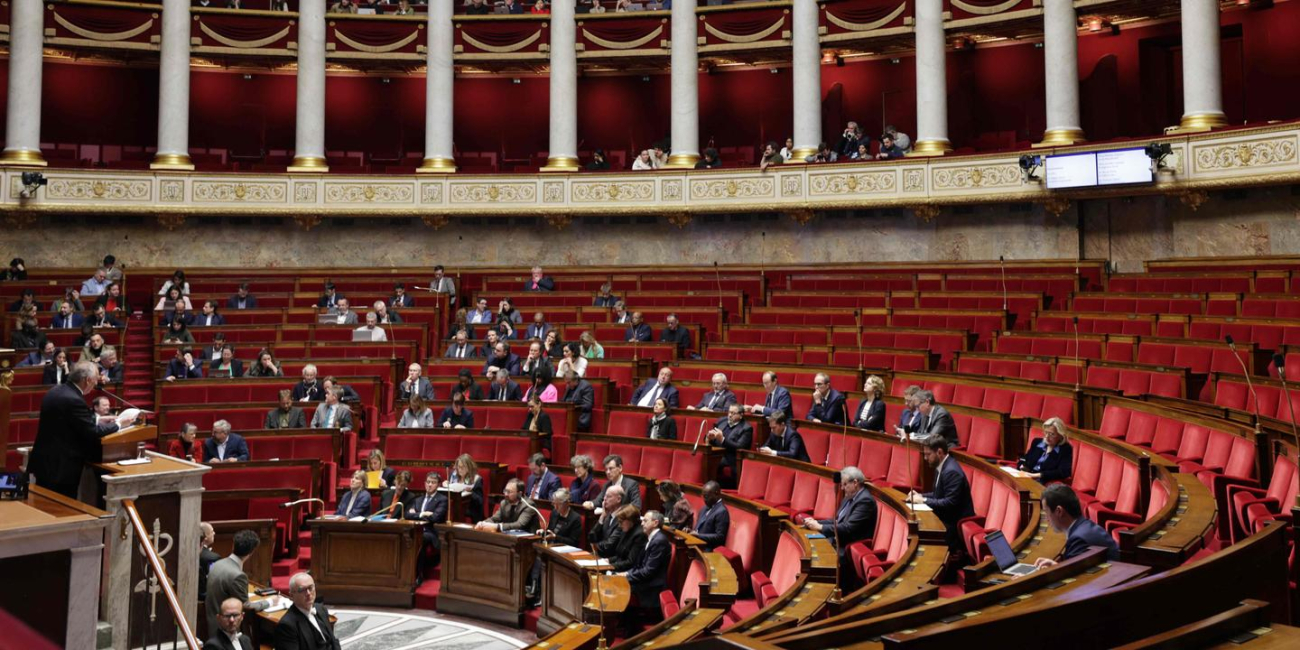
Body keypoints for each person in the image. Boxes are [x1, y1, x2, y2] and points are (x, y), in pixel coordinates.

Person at [28, 361, 117, 498]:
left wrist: (98, 419)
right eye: (94, 381)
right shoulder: (74, 399)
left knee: (44, 505)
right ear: (87, 380)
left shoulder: (56, 391)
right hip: (61, 467)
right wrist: (119, 424)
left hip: (45, 461)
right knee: (61, 509)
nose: (94, 385)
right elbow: (92, 432)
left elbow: (67, 420)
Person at [908, 435, 976, 571]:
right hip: (946, 517)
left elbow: (950, 503)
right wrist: (920, 496)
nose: (925, 458)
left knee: (920, 529)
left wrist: (924, 500)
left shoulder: (951, 472)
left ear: (939, 452)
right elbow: (938, 495)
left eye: (928, 454)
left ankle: (931, 570)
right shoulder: (942, 466)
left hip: (954, 523)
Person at [803, 466, 877, 586]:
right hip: (838, 541)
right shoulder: (849, 497)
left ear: (855, 483)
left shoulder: (865, 501)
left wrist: (820, 528)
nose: (842, 488)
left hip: (847, 547)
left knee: (816, 560)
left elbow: (848, 528)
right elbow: (836, 521)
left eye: (844, 484)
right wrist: (815, 522)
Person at [205, 530, 274, 637]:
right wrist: (269, 602)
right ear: (252, 552)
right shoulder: (238, 575)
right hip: (226, 631)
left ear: (233, 545)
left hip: (211, 623)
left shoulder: (218, 563)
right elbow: (246, 606)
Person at [1034, 484, 1120, 565]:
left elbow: (1075, 578)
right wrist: (1056, 566)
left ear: (1059, 511)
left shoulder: (1078, 540)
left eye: (1046, 512)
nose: (1046, 518)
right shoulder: (1086, 525)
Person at [618, 510, 671, 627]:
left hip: (652, 586)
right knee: (618, 582)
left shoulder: (659, 541)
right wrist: (626, 573)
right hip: (646, 580)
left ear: (655, 523)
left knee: (620, 587)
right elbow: (639, 566)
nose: (642, 523)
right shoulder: (652, 538)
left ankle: (627, 629)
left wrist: (627, 576)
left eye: (645, 521)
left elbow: (648, 572)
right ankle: (622, 624)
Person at [274, 572, 341, 650]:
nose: (308, 593)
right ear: (292, 595)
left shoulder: (321, 609)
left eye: (310, 587)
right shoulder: (287, 626)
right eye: (302, 590)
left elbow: (333, 640)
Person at [408, 472, 449, 580]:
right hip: (416, 529)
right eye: (428, 482)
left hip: (431, 533)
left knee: (421, 538)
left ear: (438, 485)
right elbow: (408, 515)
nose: (430, 485)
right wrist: (423, 514)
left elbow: (436, 517)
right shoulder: (418, 500)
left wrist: (415, 515)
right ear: (425, 483)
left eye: (433, 482)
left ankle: (418, 574)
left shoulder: (442, 500)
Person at [707, 404, 753, 485]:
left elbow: (739, 447)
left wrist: (722, 439)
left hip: (731, 457)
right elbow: (713, 439)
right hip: (718, 454)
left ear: (741, 415)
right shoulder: (722, 421)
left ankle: (712, 487)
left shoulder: (746, 428)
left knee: (712, 462)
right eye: (729, 412)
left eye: (733, 413)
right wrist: (710, 438)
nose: (730, 415)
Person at [1018, 417, 1074, 483]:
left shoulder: (1065, 449)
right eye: (1046, 432)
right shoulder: (1037, 442)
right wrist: (1022, 466)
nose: (1047, 436)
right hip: (1027, 476)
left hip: (1043, 482)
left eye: (1052, 434)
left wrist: (1037, 475)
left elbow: (1063, 472)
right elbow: (1025, 458)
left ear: (1060, 436)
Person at [689, 481, 729, 550]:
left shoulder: (722, 511)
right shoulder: (704, 508)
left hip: (707, 549)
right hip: (696, 544)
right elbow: (698, 529)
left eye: (706, 496)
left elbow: (720, 537)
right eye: (703, 496)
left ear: (716, 493)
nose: (704, 499)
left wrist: (699, 536)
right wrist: (691, 531)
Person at [589, 486, 627, 555]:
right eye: (604, 496)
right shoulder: (607, 515)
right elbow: (591, 537)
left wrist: (594, 545)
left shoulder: (623, 518)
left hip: (611, 560)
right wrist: (602, 517)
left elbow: (609, 546)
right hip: (600, 555)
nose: (604, 499)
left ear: (618, 499)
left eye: (608, 496)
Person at [450, 454, 486, 522]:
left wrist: (471, 493)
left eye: (463, 467)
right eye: (458, 467)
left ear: (469, 467)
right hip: (454, 508)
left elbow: (479, 501)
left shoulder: (476, 479)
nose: (460, 469)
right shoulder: (453, 476)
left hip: (470, 510)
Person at [609, 505, 647, 570]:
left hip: (628, 572)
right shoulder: (626, 529)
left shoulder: (640, 535)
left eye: (621, 521)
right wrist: (607, 560)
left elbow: (631, 562)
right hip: (619, 567)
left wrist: (609, 566)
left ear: (630, 519)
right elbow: (619, 556)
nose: (619, 525)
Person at [198, 522, 222, 601]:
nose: (214, 533)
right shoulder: (213, 557)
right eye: (212, 532)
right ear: (205, 537)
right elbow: (215, 582)